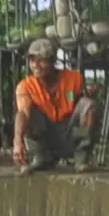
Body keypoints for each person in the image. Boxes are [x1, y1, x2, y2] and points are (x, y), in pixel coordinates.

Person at [11, 37, 91, 172]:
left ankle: (81, 157)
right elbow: (23, 113)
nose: (35, 65)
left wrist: (88, 94)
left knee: (89, 105)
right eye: (32, 60)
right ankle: (40, 157)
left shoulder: (74, 78)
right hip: (44, 137)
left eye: (41, 60)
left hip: (68, 134)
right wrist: (17, 141)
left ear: (53, 60)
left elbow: (81, 104)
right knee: (28, 114)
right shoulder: (25, 86)